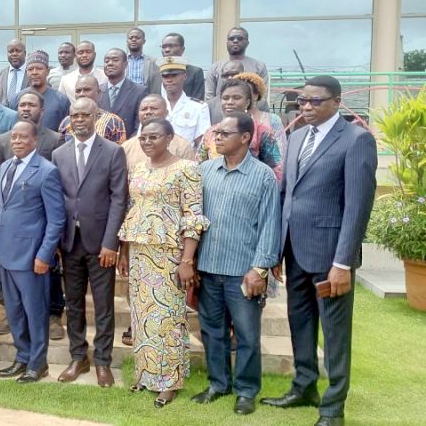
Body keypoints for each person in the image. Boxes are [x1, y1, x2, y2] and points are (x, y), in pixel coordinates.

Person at [261, 76, 378, 426]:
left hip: (331, 259)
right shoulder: (296, 137)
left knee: (336, 333)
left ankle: (332, 409)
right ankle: (304, 387)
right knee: (300, 325)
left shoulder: (357, 140)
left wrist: (343, 262)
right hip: (296, 252)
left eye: (315, 101)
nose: (307, 107)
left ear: (337, 101)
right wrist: (278, 251)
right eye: (302, 102)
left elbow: (357, 207)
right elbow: (288, 197)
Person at [193, 112, 280, 415]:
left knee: (246, 335)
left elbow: (271, 224)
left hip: (243, 272)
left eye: (224, 133)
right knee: (212, 331)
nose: (217, 137)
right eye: (216, 132)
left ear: (245, 138)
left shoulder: (263, 176)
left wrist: (260, 269)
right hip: (208, 266)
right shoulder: (204, 170)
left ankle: (246, 391)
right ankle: (218, 383)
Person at [117, 117, 207, 408]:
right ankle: (146, 373)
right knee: (143, 318)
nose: (147, 142)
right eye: (143, 138)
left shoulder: (186, 169)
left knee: (168, 318)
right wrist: (124, 251)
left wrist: (187, 260)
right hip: (141, 252)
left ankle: (169, 381)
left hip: (170, 255)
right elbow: (134, 209)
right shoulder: (139, 168)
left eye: (154, 137)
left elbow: (192, 216)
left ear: (170, 138)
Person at [52, 97, 127, 388]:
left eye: (85, 115)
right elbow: (57, 200)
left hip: (101, 244)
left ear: (95, 116)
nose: (79, 120)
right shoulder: (59, 154)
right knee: (73, 303)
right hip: (70, 243)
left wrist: (112, 243)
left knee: (104, 305)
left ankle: (103, 362)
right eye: (74, 115)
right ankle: (78, 356)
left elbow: (119, 199)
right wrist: (58, 241)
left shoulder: (112, 152)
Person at [0, 118, 66, 383]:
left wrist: (44, 255)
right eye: (14, 137)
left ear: (34, 140)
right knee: (14, 311)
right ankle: (21, 357)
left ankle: (38, 362)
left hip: (32, 257)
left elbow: (56, 219)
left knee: (35, 312)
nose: (17, 142)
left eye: (23, 137)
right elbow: (2, 209)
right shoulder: (4, 167)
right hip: (6, 253)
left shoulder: (46, 171)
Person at [198, 79, 283, 182]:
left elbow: (276, 169)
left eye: (236, 98)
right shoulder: (211, 132)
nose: (229, 102)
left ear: (247, 102)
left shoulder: (262, 131)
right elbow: (199, 165)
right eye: (225, 98)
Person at [57, 75, 126, 144]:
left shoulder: (114, 122)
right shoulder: (67, 122)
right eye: (78, 91)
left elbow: (118, 152)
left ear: (98, 93)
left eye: (87, 90)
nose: (82, 94)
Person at [159, 56, 210, 148]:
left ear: (185, 76)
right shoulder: (154, 106)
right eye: (165, 76)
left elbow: (202, 145)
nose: (169, 80)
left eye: (174, 75)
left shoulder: (199, 107)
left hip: (187, 160)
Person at [206, 27, 269, 101]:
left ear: (247, 43)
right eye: (231, 39)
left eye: (240, 38)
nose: (235, 41)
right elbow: (209, 97)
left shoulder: (259, 66)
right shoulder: (215, 68)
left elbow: (262, 96)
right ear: (227, 43)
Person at [234, 72, 288, 157]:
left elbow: (281, 152)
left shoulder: (273, 120)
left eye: (246, 92)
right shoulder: (231, 120)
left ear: (256, 95)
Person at [99, 48, 148, 138]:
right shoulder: (97, 90)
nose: (110, 63)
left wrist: (128, 146)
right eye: (107, 61)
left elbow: (140, 125)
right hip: (101, 147)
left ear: (125, 64)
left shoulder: (139, 91)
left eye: (115, 60)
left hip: (128, 146)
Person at [17, 50, 70, 131]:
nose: (34, 72)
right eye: (30, 69)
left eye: (39, 69)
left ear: (48, 71)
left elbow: (66, 131)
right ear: (26, 72)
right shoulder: (17, 99)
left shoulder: (61, 100)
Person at [146, 33, 205, 101]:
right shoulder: (154, 73)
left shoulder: (195, 72)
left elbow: (198, 100)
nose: (167, 50)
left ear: (182, 49)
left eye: (171, 46)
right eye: (164, 47)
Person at [207, 60, 244, 125]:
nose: (229, 78)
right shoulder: (210, 105)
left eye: (234, 74)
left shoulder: (259, 104)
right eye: (225, 75)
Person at [0, 39, 29, 108]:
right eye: (11, 51)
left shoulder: (32, 74)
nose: (14, 54)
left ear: (25, 53)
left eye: (18, 51)